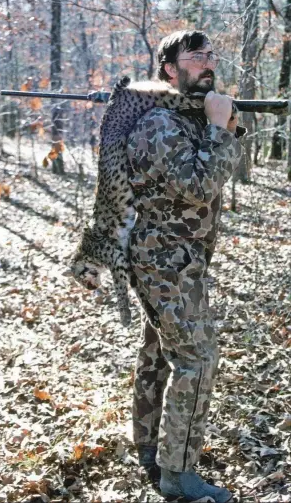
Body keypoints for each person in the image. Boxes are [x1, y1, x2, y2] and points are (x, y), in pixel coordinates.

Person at [126, 30, 246, 502]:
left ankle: (151, 447)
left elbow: (219, 158)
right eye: (196, 57)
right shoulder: (159, 124)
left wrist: (226, 124)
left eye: (211, 55)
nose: (208, 63)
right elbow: (200, 187)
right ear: (171, 70)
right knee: (197, 360)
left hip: (179, 261)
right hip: (166, 265)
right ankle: (178, 475)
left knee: (159, 352)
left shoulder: (187, 116)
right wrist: (219, 127)